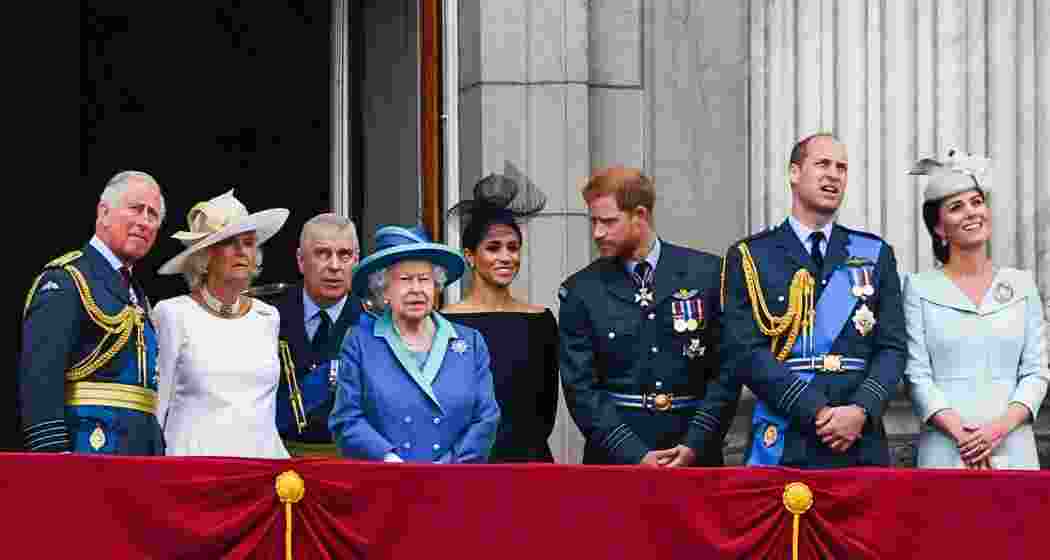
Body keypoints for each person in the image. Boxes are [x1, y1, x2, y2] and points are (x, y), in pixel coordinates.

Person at [720, 133, 907, 468]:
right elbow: (744, 351)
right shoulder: (751, 256)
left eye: (842, 168)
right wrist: (816, 410)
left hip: (859, 438)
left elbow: (893, 348)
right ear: (794, 172)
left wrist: (861, 409)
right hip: (787, 434)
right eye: (823, 164)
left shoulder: (874, 253)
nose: (834, 175)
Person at [558, 166, 738, 466]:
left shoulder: (707, 274)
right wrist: (633, 454)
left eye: (608, 222)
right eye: (594, 222)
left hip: (695, 453)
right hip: (616, 459)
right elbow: (581, 388)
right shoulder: (581, 290)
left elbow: (728, 370)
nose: (597, 233)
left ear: (640, 215)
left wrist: (695, 443)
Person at [904, 150, 1048, 469]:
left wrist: (995, 432)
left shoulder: (1022, 285)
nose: (971, 212)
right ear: (939, 228)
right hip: (946, 449)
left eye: (977, 202)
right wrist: (963, 436)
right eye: (956, 207)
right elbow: (917, 375)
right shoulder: (918, 287)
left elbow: (1036, 372)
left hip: (1014, 447)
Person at [19, 171, 166, 454]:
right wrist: (53, 456)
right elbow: (40, 376)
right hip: (89, 447)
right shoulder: (68, 279)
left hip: (143, 452)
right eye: (136, 209)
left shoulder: (136, 291)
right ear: (104, 212)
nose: (144, 222)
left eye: (153, 215)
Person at [329, 225, 500, 463]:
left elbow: (486, 417)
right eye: (405, 279)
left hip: (456, 481)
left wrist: (450, 464)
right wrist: (389, 460)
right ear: (383, 289)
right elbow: (346, 419)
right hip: (386, 482)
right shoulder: (360, 343)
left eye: (424, 279)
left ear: (436, 286)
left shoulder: (470, 342)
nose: (416, 289)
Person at [152, 189, 291, 458]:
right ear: (204, 257)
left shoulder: (268, 317)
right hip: (193, 469)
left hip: (261, 471)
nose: (241, 251)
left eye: (249, 242)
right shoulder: (173, 313)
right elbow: (158, 405)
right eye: (229, 242)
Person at [442, 164, 559, 462]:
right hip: (464, 467)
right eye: (493, 248)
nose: (506, 257)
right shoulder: (443, 323)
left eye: (513, 247)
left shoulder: (540, 321)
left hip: (529, 467)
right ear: (470, 256)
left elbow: (545, 412)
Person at [275, 213, 363, 457]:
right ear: (301, 261)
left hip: (350, 461)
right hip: (278, 456)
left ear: (356, 260)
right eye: (322, 254)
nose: (334, 266)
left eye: (344, 255)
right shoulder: (268, 316)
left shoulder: (373, 324)